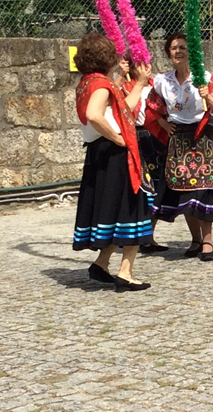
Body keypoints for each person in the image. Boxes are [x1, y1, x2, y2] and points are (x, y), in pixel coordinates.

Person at [72, 33, 153, 292]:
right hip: (114, 154)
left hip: (100, 153)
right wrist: (118, 139)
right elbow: (94, 115)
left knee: (117, 211)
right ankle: (125, 272)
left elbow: (122, 111)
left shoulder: (89, 82)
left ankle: (101, 264)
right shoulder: (100, 84)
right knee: (133, 209)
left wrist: (139, 83)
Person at [144, 32, 213, 262]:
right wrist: (163, 122)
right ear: (168, 53)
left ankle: (208, 241)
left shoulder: (204, 77)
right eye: (174, 48)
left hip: (204, 138)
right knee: (185, 192)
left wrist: (208, 97)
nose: (178, 51)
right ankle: (196, 240)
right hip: (179, 140)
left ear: (191, 52)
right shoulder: (163, 81)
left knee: (204, 190)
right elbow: (151, 107)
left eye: (183, 47)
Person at [117, 51, 169, 254]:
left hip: (156, 138)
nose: (146, 67)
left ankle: (148, 236)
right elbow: (117, 106)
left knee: (157, 187)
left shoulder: (156, 83)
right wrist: (121, 75)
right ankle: (128, 236)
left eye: (147, 63)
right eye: (141, 64)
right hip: (135, 138)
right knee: (137, 188)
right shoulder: (125, 86)